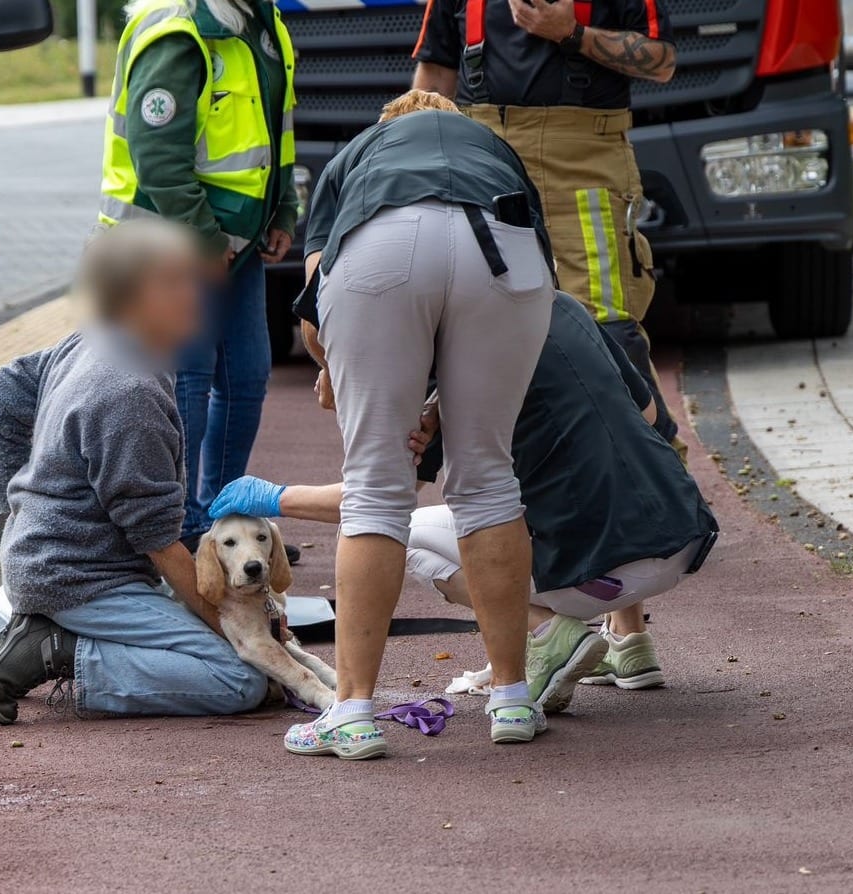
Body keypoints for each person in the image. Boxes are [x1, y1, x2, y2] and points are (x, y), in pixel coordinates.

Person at [215, 291, 718, 713]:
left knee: (409, 535)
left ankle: (550, 633)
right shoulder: (561, 304)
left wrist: (274, 496)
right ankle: (631, 645)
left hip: (598, 576)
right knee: (596, 456)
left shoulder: (448, 362)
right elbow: (647, 414)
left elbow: (376, 500)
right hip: (680, 537)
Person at [281, 89, 557, 760]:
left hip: (382, 243)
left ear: (386, 129)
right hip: (502, 242)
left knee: (375, 487)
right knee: (490, 478)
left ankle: (350, 712)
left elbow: (316, 298)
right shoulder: (492, 148)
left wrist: (334, 371)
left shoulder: (360, 153)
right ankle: (514, 698)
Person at [413, 0, 680, 677]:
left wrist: (572, 34)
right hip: (480, 155)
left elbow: (663, 60)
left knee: (608, 352)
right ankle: (546, 638)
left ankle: (627, 630)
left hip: (582, 158)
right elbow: (432, 80)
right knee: (479, 349)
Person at [0, 221, 266, 726]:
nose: (194, 293)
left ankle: (49, 625)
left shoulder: (94, 341)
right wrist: (236, 631)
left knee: (235, 647)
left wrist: (19, 516)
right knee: (241, 677)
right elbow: (161, 543)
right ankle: (59, 650)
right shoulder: (129, 393)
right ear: (130, 299)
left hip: (53, 565)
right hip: (80, 580)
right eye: (174, 283)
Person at [97, 0, 300, 555]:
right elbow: (155, 155)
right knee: (187, 380)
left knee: (246, 376)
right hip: (173, 242)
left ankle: (224, 516)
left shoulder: (264, 22)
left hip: (234, 245)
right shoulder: (178, 32)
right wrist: (204, 239)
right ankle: (178, 527)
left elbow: (273, 132)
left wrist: (281, 210)